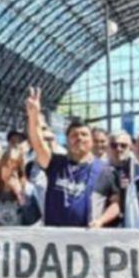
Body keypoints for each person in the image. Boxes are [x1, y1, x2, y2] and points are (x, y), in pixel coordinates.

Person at [25, 87, 112, 228]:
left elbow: (116, 202)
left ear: (92, 141)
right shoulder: (55, 162)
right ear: (67, 140)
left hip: (87, 235)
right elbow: (38, 144)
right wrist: (33, 115)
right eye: (74, 135)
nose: (79, 138)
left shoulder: (104, 170)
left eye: (84, 134)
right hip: (54, 235)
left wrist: (101, 220)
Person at [0, 149, 42, 226]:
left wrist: (19, 194)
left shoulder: (29, 191)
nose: (10, 172)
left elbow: (32, 220)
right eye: (7, 167)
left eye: (14, 169)